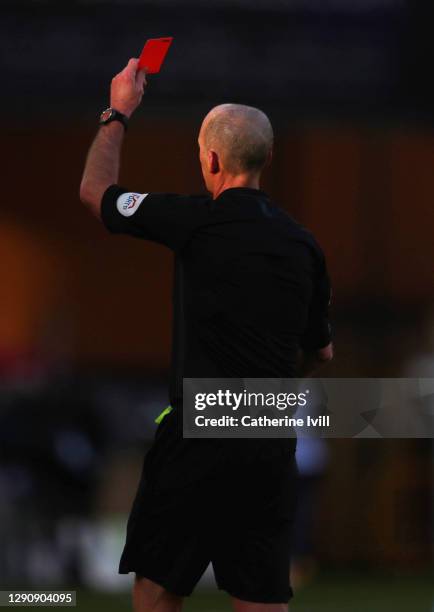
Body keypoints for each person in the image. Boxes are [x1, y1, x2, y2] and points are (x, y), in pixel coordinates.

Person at [80, 58, 333, 612]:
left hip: (198, 438)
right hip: (268, 441)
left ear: (211, 159)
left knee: (155, 592)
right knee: (262, 598)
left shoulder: (192, 221)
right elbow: (320, 351)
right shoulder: (304, 245)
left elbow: (96, 191)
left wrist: (117, 110)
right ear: (266, 158)